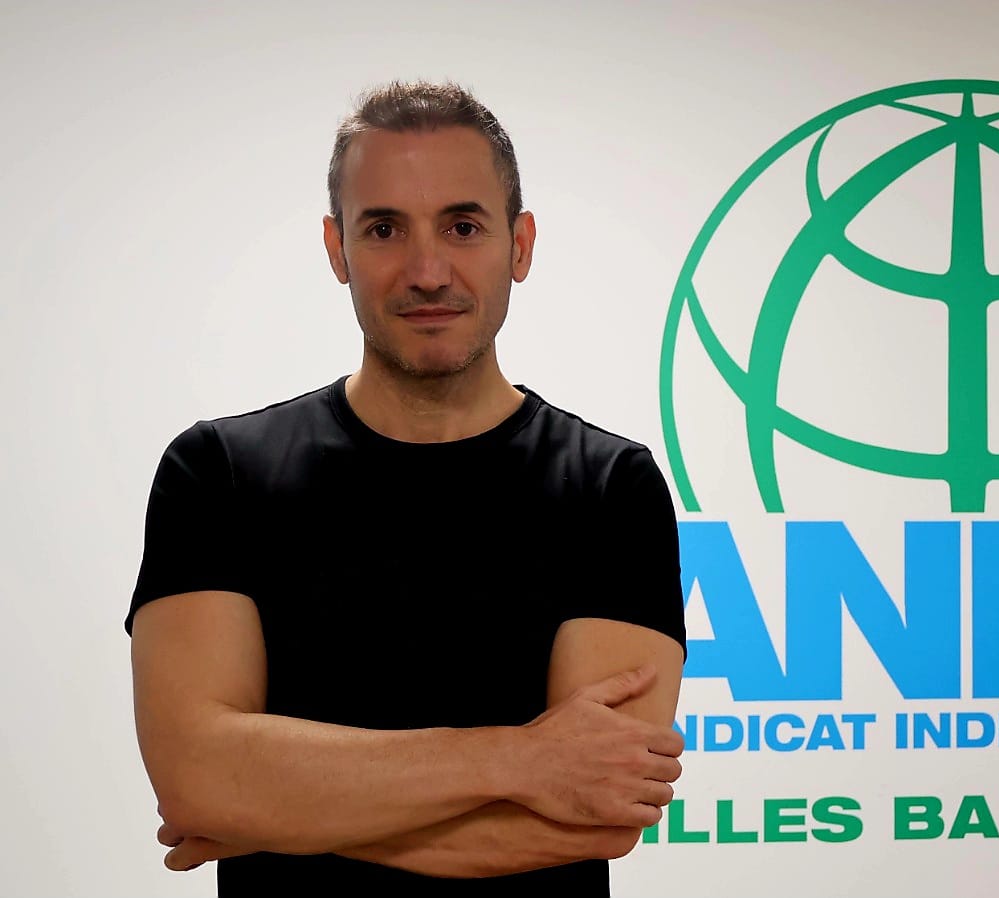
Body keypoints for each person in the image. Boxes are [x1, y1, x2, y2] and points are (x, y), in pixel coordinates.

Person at [124, 80, 687, 896]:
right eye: (384, 229)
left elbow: (594, 818)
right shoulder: (217, 473)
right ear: (337, 249)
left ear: (520, 245)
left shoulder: (610, 487)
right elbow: (198, 780)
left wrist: (269, 813)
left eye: (463, 226)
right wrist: (519, 758)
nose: (427, 272)